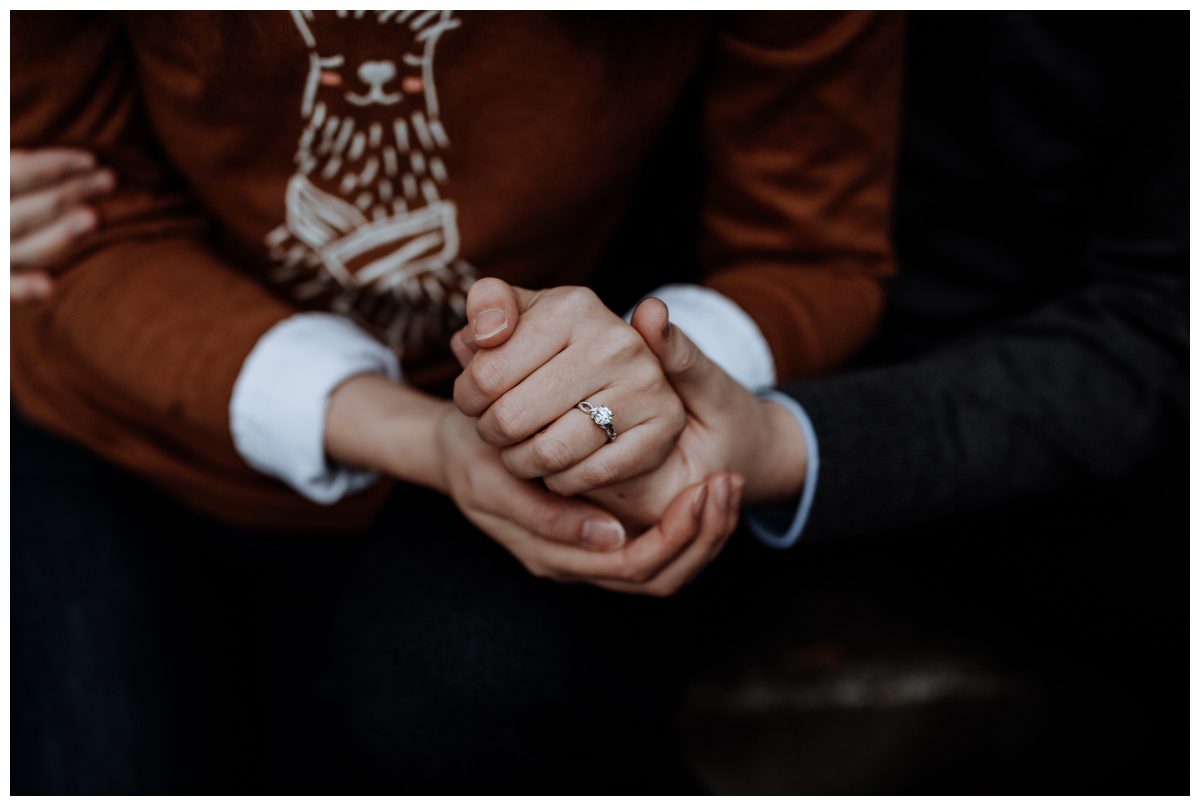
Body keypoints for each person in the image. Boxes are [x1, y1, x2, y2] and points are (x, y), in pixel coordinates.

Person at [10, 11, 903, 793]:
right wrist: (429, 437)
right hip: (112, 421)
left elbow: (811, 249)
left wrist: (645, 379)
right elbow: (85, 232)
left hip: (516, 464)